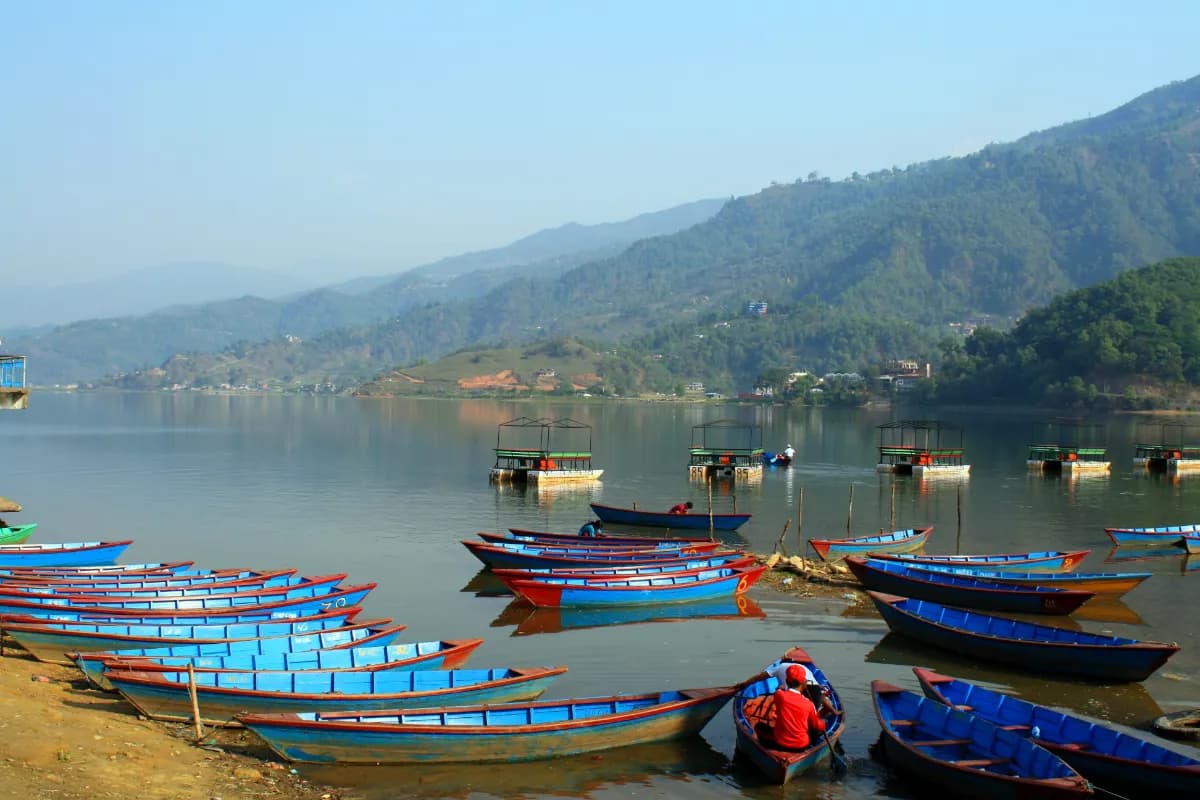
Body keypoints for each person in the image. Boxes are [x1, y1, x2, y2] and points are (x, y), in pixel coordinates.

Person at [770, 664, 828, 751]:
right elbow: (816, 725)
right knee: (818, 725)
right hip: (800, 746)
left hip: (780, 743)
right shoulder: (809, 704)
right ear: (804, 682)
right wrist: (823, 724)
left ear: (786, 680)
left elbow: (781, 692)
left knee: (760, 727)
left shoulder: (779, 695)